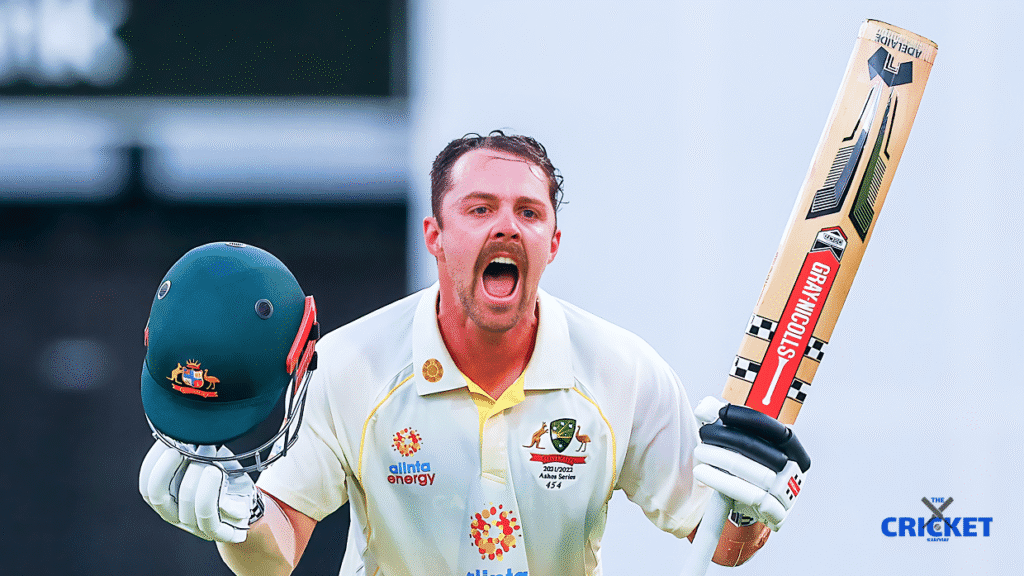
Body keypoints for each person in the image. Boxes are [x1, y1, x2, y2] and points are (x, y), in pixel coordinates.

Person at [139, 131, 810, 575]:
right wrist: (236, 522)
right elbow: (276, 550)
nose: (505, 225)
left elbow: (719, 543)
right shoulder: (348, 366)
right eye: (480, 208)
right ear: (435, 235)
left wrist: (747, 509)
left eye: (528, 212)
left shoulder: (621, 372)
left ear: (552, 242)